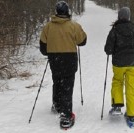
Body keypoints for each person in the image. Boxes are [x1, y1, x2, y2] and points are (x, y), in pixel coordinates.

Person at [39, 1, 87, 129]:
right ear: (67, 12)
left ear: (56, 12)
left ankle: (57, 104)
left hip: (55, 59)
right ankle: (66, 115)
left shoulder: (48, 27)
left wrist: (52, 50)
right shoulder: (74, 26)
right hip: (69, 59)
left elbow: (43, 48)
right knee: (67, 85)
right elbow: (82, 41)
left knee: (57, 80)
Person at [104, 7, 134, 128]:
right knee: (131, 87)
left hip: (118, 64)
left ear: (119, 16)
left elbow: (108, 49)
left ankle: (117, 105)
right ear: (128, 16)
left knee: (117, 81)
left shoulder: (115, 30)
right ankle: (133, 116)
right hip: (132, 63)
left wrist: (111, 48)